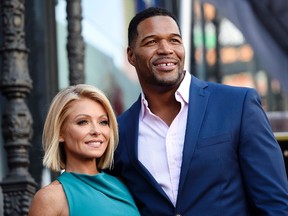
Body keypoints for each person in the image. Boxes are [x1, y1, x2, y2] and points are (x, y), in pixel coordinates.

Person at [109, 7, 288, 215]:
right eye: (152, 41)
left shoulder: (238, 105)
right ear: (131, 55)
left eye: (175, 40)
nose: (166, 49)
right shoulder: (120, 131)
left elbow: (274, 204)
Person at [28, 84, 140, 216]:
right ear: (59, 133)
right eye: (83, 122)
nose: (96, 131)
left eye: (103, 122)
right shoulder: (50, 198)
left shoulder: (123, 185)